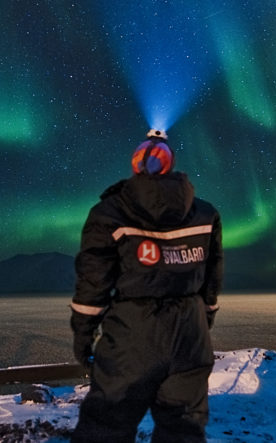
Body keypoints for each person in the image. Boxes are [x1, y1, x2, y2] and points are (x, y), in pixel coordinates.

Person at [70, 129, 224, 442]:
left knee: (106, 427)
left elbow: (93, 281)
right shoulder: (205, 214)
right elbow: (212, 277)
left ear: (135, 163)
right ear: (170, 164)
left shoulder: (109, 213)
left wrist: (84, 333)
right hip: (190, 336)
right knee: (183, 430)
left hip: (132, 334)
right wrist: (203, 320)